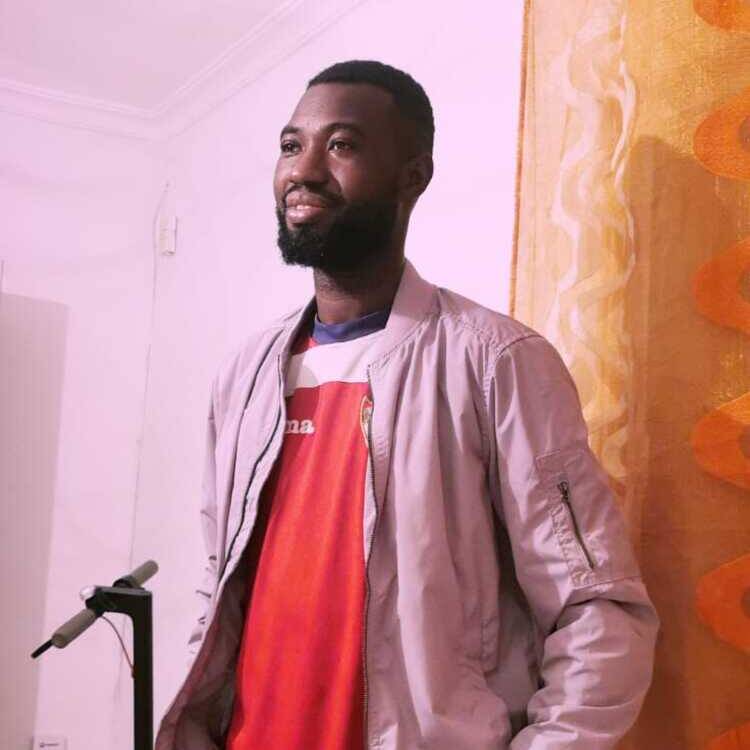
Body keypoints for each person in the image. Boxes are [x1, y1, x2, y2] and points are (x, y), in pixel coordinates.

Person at [155, 60, 659, 750]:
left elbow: (597, 608)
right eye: (291, 145)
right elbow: (220, 589)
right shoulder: (245, 375)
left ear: (412, 176)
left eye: (342, 144)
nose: (304, 170)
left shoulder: (495, 362)